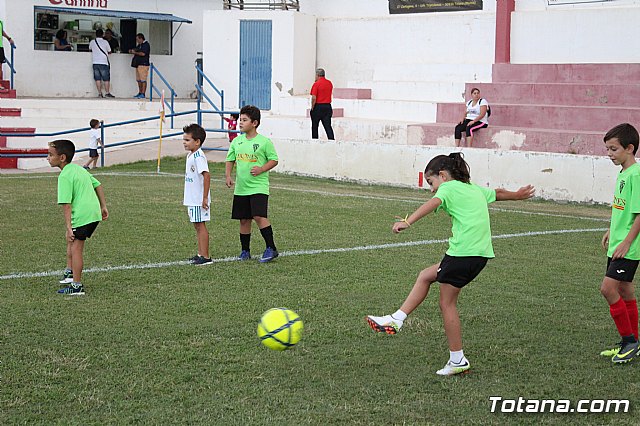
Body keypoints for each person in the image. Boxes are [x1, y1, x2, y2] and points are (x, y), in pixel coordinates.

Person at [366, 153, 534, 376]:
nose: (432, 188)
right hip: (479, 255)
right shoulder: (472, 188)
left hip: (463, 254)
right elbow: (498, 193)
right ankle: (397, 319)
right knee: (426, 275)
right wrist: (518, 195)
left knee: (447, 304)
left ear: (443, 176)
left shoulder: (448, 188)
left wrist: (407, 221)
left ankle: (457, 360)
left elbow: (433, 202)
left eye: (431, 182)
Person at [599, 123, 640, 364]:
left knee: (608, 289)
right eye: (607, 149)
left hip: (628, 247)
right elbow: (623, 210)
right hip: (617, 242)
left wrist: (625, 242)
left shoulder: (636, 175)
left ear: (630, 148)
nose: (609, 154)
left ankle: (629, 341)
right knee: (625, 290)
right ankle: (634, 341)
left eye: (613, 149)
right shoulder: (624, 173)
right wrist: (611, 229)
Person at [48, 139, 108, 295]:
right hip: (93, 213)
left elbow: (66, 205)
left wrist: (69, 227)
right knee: (71, 240)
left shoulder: (65, 176)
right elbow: (98, 184)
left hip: (83, 215)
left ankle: (77, 285)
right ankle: (69, 273)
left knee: (76, 248)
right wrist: (103, 206)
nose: (47, 158)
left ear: (62, 158)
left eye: (50, 154)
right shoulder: (79, 169)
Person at [225, 105, 280, 263]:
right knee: (244, 219)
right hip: (241, 188)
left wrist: (262, 168)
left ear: (254, 123)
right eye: (240, 120)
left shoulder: (264, 142)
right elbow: (230, 159)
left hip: (258, 187)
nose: (240, 123)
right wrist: (228, 175)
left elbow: (274, 160)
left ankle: (271, 248)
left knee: (259, 216)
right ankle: (245, 251)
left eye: (244, 120)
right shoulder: (237, 141)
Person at [183, 123, 213, 265]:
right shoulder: (191, 155)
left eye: (187, 140)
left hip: (198, 199)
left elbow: (206, 176)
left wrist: (204, 197)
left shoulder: (199, 157)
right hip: (192, 198)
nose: (184, 142)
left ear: (197, 141)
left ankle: (206, 257)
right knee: (196, 225)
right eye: (184, 139)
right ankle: (200, 253)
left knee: (200, 226)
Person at [310, 68, 335, 140]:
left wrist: (312, 107)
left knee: (315, 127)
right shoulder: (329, 83)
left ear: (317, 75)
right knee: (328, 126)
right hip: (327, 106)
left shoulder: (316, 84)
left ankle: (315, 142)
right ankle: (332, 141)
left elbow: (314, 97)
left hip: (318, 106)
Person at [88, 29, 114, 98]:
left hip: (95, 62)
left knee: (97, 79)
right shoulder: (105, 42)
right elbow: (110, 51)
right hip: (104, 62)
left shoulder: (92, 42)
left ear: (95, 34)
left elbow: (90, 50)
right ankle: (107, 93)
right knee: (106, 79)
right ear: (103, 34)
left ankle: (99, 94)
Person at [129, 33, 150, 99]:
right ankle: (140, 92)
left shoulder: (146, 45)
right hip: (138, 64)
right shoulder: (139, 45)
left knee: (143, 80)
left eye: (138, 39)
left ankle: (143, 93)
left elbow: (143, 53)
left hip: (143, 64)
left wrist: (135, 52)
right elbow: (136, 49)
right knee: (139, 80)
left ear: (141, 38)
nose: (137, 41)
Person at [0, 18, 15, 91]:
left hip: (0, 46)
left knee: (0, 66)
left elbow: (1, 32)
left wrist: (9, 38)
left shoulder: (0, 22)